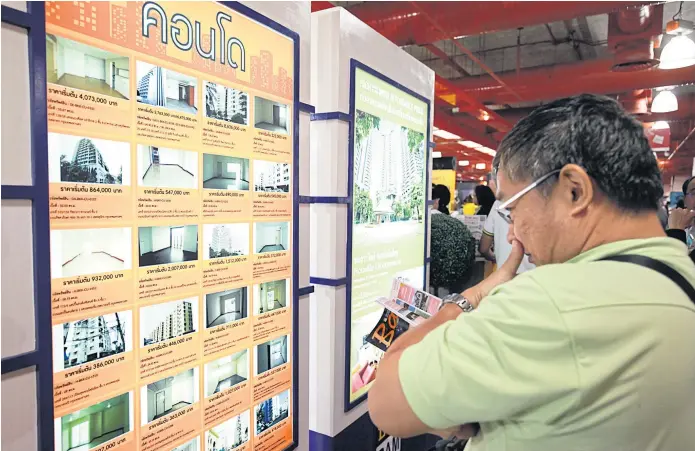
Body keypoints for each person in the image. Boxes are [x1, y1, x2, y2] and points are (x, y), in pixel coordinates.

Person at [367, 94, 695, 451]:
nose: (512, 233)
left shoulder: (553, 303)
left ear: (574, 190)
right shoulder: (680, 275)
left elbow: (386, 403)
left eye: (512, 208)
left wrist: (468, 299)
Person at [479, 198, 535, 273]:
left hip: (505, 276)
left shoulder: (499, 204)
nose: (510, 237)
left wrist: (496, 258)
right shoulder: (540, 201)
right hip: (537, 277)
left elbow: (484, 248)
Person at [667, 176, 695, 263]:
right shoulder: (685, 229)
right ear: (685, 200)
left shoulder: (677, 228)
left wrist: (676, 231)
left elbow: (677, 271)